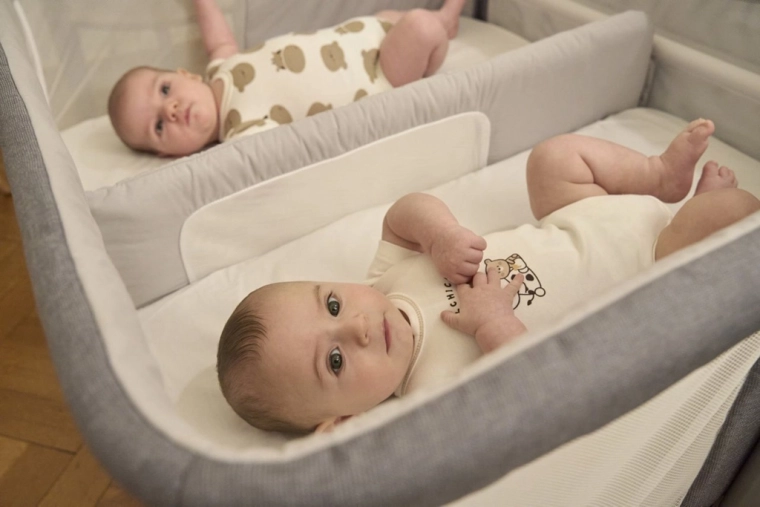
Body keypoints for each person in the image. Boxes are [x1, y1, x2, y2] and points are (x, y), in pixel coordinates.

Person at [216, 119, 760, 434]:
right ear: (343, 422)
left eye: (333, 304)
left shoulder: (385, 280)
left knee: (552, 160)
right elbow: (536, 384)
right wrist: (492, 322)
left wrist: (440, 235)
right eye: (334, 361)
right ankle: (696, 215)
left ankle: (657, 177)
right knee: (732, 214)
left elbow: (403, 213)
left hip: (577, 213)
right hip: (648, 264)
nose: (355, 327)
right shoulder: (432, 395)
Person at [107, 0, 468, 157]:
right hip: (384, 74)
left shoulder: (220, 66)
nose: (170, 109)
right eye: (158, 126)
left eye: (165, 90)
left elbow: (217, 38)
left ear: (185, 74)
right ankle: (445, 20)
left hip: (365, 32)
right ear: (168, 155)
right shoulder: (241, 135)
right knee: (421, 26)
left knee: (391, 17)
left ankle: (440, 22)